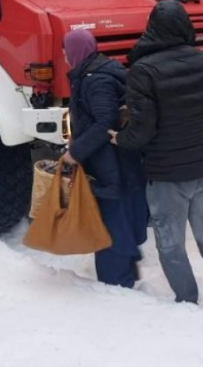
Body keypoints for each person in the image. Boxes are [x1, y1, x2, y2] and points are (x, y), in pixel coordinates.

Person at [109, 0, 203, 315]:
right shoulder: (201, 62)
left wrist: (120, 139)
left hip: (167, 173)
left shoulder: (143, 70)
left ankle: (187, 302)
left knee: (170, 244)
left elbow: (142, 130)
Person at [61, 29, 148, 288]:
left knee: (111, 223)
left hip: (111, 165)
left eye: (66, 49)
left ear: (76, 51)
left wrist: (75, 153)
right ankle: (127, 268)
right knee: (119, 219)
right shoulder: (99, 71)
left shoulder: (96, 80)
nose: (64, 55)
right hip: (118, 161)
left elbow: (104, 121)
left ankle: (117, 287)